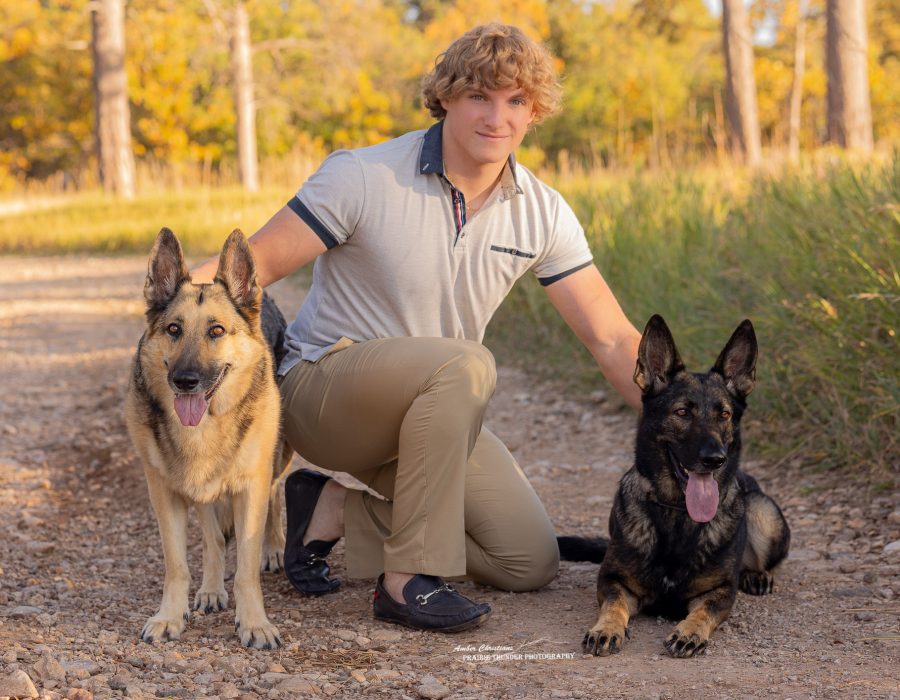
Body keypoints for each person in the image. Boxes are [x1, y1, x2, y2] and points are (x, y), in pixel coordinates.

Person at [193, 22, 642, 633]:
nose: (497, 117)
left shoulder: (543, 212)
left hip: (437, 413)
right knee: (469, 363)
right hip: (325, 391)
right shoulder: (364, 176)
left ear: (534, 113)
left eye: (516, 102)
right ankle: (406, 582)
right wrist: (170, 327)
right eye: (479, 96)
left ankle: (324, 510)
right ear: (447, 97)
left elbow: (612, 339)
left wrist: (691, 440)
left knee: (526, 558)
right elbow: (247, 273)